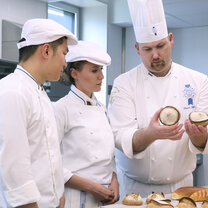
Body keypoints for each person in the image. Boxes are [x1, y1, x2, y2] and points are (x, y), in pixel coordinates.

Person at [108, 0, 208, 199]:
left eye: (160, 46)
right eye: (147, 49)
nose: (155, 55)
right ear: (137, 49)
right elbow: (119, 137)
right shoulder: (124, 83)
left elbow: (204, 138)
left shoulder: (199, 81)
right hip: (134, 190)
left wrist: (198, 136)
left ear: (170, 40)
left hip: (180, 190)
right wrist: (151, 134)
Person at [0, 18, 78, 208]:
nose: (65, 63)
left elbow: (49, 155)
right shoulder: (12, 92)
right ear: (46, 51)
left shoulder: (40, 93)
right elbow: (14, 167)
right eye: (63, 54)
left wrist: (59, 195)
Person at [53, 40, 119, 208]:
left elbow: (108, 155)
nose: (101, 76)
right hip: (74, 197)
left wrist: (114, 179)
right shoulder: (61, 109)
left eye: (101, 70)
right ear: (74, 73)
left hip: (106, 197)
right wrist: (91, 187)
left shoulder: (103, 109)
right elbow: (49, 162)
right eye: (94, 70)